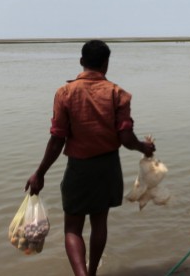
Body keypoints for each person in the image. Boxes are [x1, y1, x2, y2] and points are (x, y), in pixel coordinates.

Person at [25, 40, 155, 276]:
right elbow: (126, 138)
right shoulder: (118, 94)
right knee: (99, 223)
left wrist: (40, 173)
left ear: (82, 61)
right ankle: (93, 272)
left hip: (79, 168)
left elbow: (57, 140)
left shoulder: (65, 93)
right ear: (106, 63)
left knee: (73, 228)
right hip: (107, 167)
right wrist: (144, 148)